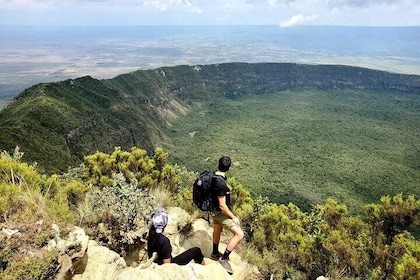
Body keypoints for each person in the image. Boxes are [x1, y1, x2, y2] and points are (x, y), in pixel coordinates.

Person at [210, 156, 244, 274]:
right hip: (219, 213)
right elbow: (222, 206)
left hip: (213, 211)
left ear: (218, 165)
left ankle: (214, 253)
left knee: (218, 229)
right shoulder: (220, 184)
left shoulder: (213, 176)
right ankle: (223, 259)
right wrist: (233, 217)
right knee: (239, 234)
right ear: (229, 167)